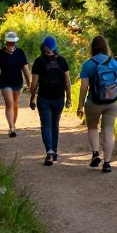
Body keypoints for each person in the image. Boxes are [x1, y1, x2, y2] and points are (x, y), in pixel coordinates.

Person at [76, 35, 117, 173]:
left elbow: (84, 87)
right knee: (108, 130)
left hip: (94, 102)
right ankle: (107, 163)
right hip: (112, 102)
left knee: (92, 127)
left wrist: (80, 105)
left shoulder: (88, 64)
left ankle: (95, 153)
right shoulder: (115, 63)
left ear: (92, 48)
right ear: (106, 47)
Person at [28, 35, 72, 166]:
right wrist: (69, 97)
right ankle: (55, 152)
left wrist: (32, 98)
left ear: (44, 47)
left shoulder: (39, 61)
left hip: (44, 98)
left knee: (46, 125)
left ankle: (49, 151)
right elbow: (67, 81)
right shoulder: (62, 61)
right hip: (59, 97)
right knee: (55, 125)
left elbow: (34, 84)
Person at [0, 31, 30, 137]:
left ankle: (13, 124)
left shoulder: (20, 52)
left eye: (13, 43)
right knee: (9, 103)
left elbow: (25, 69)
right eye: (9, 42)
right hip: (5, 82)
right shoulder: (0, 53)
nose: (11, 44)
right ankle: (11, 127)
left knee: (15, 104)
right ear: (6, 42)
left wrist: (28, 82)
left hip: (17, 81)